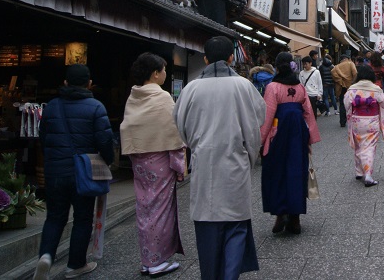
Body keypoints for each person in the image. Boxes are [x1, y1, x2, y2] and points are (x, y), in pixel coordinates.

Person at [174, 36, 265, 279]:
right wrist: (250, 158)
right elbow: (255, 127)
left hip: (203, 163)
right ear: (231, 58)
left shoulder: (191, 88)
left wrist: (197, 146)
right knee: (236, 226)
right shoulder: (244, 86)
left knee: (207, 225)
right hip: (235, 162)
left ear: (205, 59)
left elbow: (180, 126)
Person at [34, 64, 114, 280]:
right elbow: (105, 141)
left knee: (54, 217)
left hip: (55, 171)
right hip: (84, 172)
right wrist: (108, 161)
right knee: (82, 218)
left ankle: (46, 256)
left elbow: (44, 139)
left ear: (66, 83)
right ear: (89, 83)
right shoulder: (96, 107)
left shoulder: (51, 106)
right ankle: (76, 264)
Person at [120, 52, 186, 277]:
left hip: (139, 159)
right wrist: (179, 164)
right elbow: (172, 131)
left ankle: (147, 259)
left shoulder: (133, 96)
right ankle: (156, 261)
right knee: (160, 209)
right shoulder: (162, 97)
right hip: (159, 159)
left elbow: (128, 127)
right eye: (164, 70)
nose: (166, 74)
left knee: (145, 207)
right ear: (156, 73)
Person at [259, 52, 321, 235]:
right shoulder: (300, 87)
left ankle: (280, 213)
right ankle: (295, 218)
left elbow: (268, 115)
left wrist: (260, 140)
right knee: (296, 171)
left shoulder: (273, 87)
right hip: (297, 134)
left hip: (276, 134)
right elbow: (308, 113)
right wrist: (310, 137)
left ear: (277, 67)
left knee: (277, 172)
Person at [344, 66, 384, 186]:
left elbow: (346, 104)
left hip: (357, 120)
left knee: (359, 145)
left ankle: (359, 171)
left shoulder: (352, 89)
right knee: (369, 147)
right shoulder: (376, 89)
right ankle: (368, 176)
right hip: (372, 121)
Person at [332, 53, 357, 127]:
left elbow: (333, 73)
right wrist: (353, 81)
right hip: (350, 87)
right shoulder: (350, 64)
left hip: (341, 87)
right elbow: (355, 73)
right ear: (347, 59)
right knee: (353, 103)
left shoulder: (336, 67)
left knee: (342, 104)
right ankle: (353, 120)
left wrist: (341, 81)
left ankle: (342, 122)